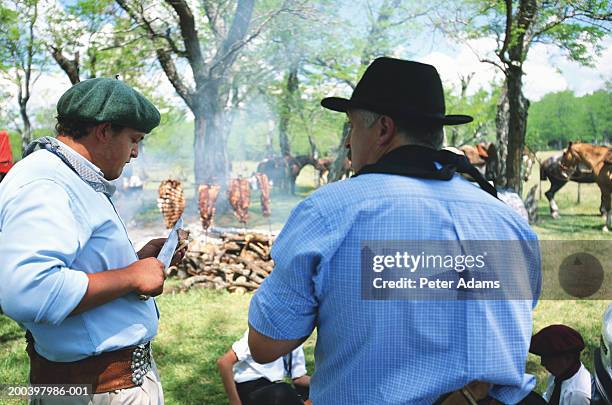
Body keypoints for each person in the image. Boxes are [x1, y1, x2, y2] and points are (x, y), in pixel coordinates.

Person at [246, 57, 542, 404]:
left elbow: (267, 344)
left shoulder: (327, 212)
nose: (347, 143)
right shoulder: (507, 221)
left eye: (351, 127)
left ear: (383, 130)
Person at [0, 78, 186, 404]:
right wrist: (131, 276)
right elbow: (28, 291)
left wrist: (138, 260)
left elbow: (77, 265)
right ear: (103, 131)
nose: (135, 153)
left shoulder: (65, 175)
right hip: (98, 390)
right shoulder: (47, 183)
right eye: (133, 139)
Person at [217, 329, 310, 405]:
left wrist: (323, 383)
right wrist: (235, 402)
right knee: (283, 392)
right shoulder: (261, 334)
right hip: (249, 389)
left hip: (272, 387)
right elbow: (224, 363)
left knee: (310, 390)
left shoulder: (296, 341)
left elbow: (299, 379)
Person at [530, 325, 591, 404]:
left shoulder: (577, 394)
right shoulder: (561, 372)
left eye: (548, 358)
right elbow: (547, 397)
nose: (543, 363)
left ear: (568, 358)